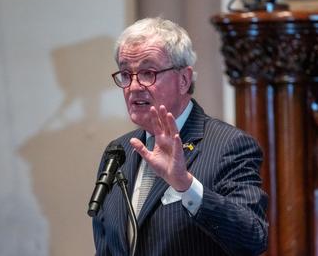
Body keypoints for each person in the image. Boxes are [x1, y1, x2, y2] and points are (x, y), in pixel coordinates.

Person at [92, 17, 268, 256]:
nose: (133, 87)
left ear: (184, 79)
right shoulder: (118, 151)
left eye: (147, 73)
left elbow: (253, 237)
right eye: (125, 74)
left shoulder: (229, 145)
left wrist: (186, 185)